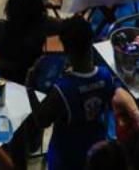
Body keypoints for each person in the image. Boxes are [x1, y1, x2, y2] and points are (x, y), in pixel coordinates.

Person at [27, 15, 114, 169]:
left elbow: (42, 120)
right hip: (94, 151)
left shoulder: (63, 89)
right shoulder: (106, 76)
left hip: (66, 156)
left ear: (66, 50)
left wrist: (30, 88)